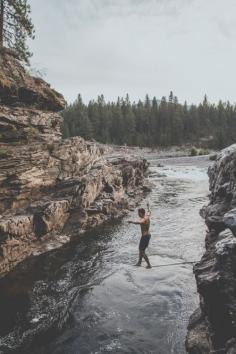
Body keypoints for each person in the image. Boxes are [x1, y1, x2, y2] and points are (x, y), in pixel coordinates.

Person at [128, 203, 152, 269]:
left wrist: (131, 222)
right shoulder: (147, 215)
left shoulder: (144, 219)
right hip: (147, 235)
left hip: (145, 237)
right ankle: (139, 262)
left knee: (142, 251)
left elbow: (140, 222)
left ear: (141, 213)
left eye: (138, 213)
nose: (138, 215)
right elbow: (149, 211)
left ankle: (149, 265)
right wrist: (148, 206)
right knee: (140, 250)